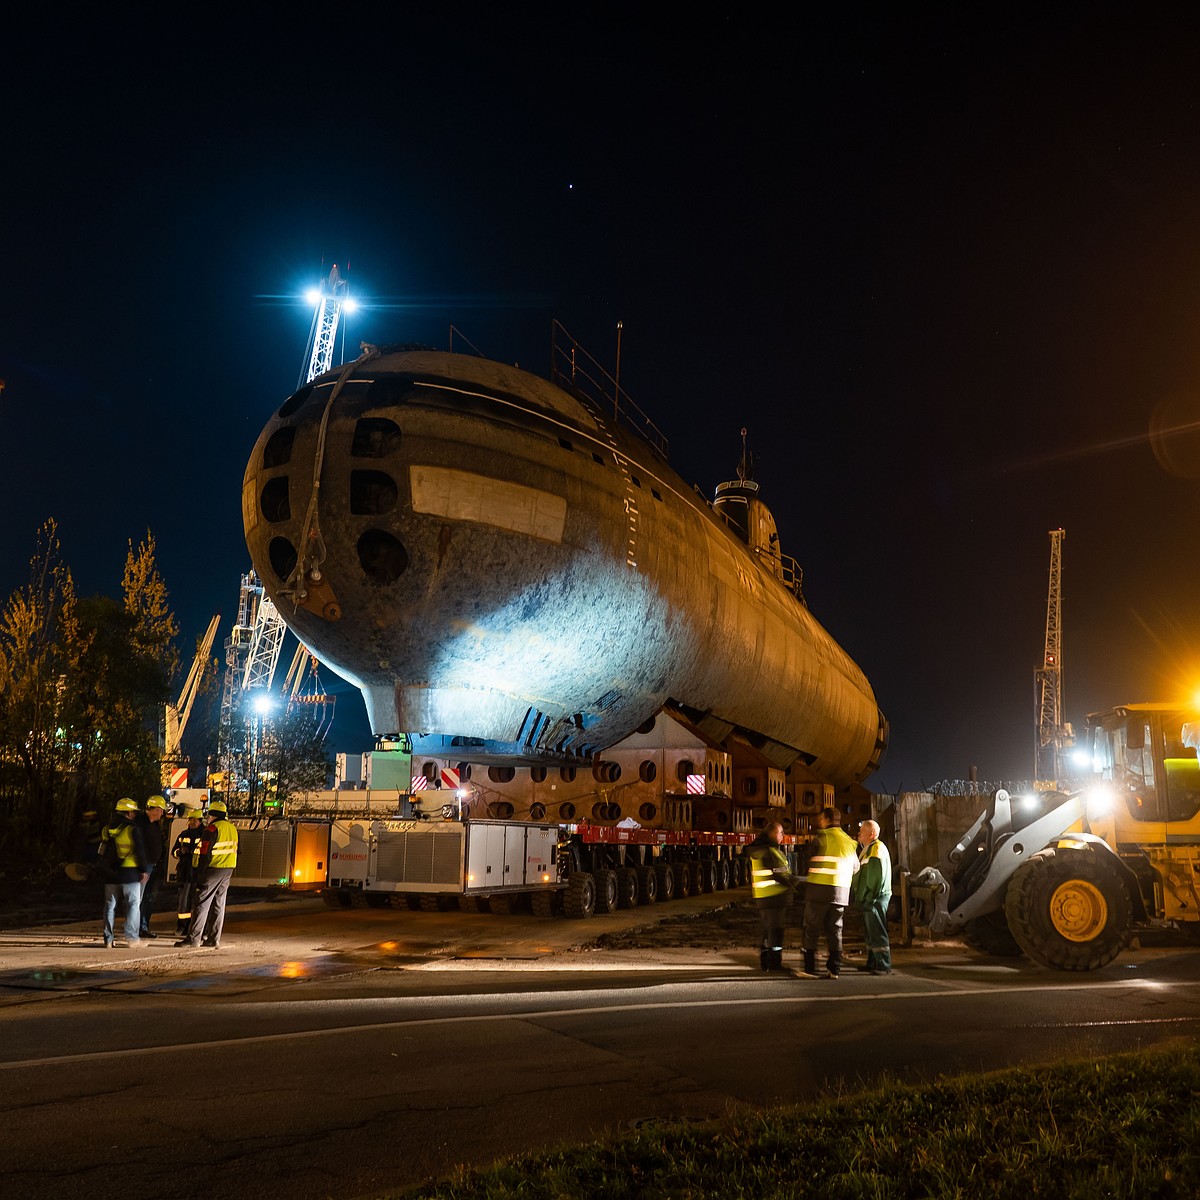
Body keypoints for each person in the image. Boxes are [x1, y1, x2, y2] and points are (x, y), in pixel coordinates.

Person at [801, 806, 859, 979]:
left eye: (821, 819)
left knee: (811, 929)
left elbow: (808, 861)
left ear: (827, 819)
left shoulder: (822, 838)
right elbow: (856, 868)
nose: (820, 822)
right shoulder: (849, 842)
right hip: (841, 893)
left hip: (819, 892)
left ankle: (809, 969)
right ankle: (834, 969)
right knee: (835, 930)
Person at [176, 800, 238, 949]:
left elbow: (204, 853)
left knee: (201, 903)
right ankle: (213, 938)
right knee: (219, 904)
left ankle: (193, 938)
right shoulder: (232, 828)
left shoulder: (211, 829)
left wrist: (200, 872)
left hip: (212, 870)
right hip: (227, 870)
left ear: (212, 815)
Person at [744, 819, 795, 972]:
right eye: (780, 832)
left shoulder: (760, 849)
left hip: (764, 897)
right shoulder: (770, 852)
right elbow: (781, 875)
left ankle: (765, 962)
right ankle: (774, 964)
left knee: (767, 930)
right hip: (775, 897)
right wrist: (797, 885)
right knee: (776, 931)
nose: (783, 835)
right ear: (773, 833)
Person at [99, 798, 148, 948]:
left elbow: (102, 851)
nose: (134, 814)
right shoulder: (132, 828)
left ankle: (108, 939)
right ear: (129, 812)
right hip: (129, 872)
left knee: (109, 906)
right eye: (133, 811)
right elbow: (139, 851)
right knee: (133, 905)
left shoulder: (106, 829)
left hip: (110, 873)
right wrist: (143, 870)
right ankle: (132, 938)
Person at [852, 819, 893, 975]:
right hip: (872, 898)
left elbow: (874, 879)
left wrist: (867, 897)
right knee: (871, 933)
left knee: (876, 931)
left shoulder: (874, 850)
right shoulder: (872, 849)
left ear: (872, 833)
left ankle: (883, 964)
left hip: (873, 899)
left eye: (862, 831)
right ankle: (873, 962)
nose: (859, 835)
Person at [135, 795, 170, 938]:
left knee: (148, 898)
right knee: (138, 898)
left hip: (152, 867)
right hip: (144, 867)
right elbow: (139, 847)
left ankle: (143, 927)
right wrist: (143, 868)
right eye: (160, 810)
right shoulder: (141, 824)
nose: (162, 813)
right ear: (154, 809)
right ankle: (136, 929)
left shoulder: (153, 824)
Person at [171, 807, 207, 937]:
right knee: (183, 903)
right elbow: (174, 852)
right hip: (185, 873)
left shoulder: (205, 834)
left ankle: (198, 929)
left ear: (200, 820)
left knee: (198, 902)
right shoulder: (183, 835)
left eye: (194, 820)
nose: (191, 822)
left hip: (198, 874)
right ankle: (182, 927)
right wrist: (181, 852)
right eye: (190, 820)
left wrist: (191, 852)